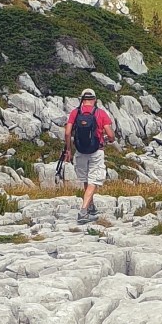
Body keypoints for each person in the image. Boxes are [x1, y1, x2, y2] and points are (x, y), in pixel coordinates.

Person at [65, 86, 115, 222]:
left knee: (86, 180)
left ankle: (91, 207)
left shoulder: (75, 113)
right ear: (95, 100)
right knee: (93, 180)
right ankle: (83, 212)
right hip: (96, 150)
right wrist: (108, 139)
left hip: (80, 150)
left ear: (82, 100)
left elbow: (68, 132)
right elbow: (111, 135)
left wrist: (68, 150)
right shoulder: (100, 113)